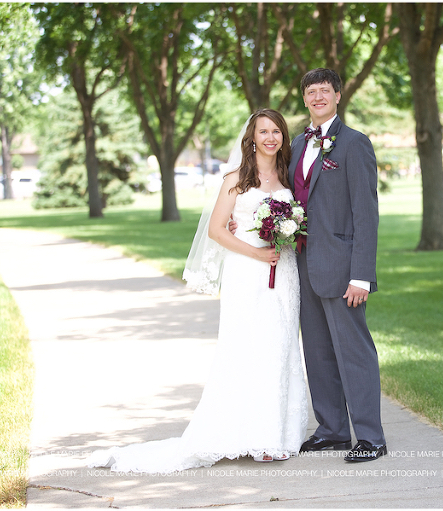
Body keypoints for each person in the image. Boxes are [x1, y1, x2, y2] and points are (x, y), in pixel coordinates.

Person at [85, 108, 308, 472]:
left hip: (283, 272)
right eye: (263, 131)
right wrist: (256, 252)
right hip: (248, 270)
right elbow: (217, 230)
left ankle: (279, 433)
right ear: (251, 138)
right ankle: (253, 435)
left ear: (284, 137)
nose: (270, 138)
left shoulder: (286, 176)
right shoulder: (236, 178)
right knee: (248, 345)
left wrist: (285, 235)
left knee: (281, 344)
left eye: (276, 132)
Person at [292, 68, 386, 462]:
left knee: (354, 353)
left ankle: (371, 438)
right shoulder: (297, 144)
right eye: (310, 92)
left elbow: (366, 214)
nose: (317, 97)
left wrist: (361, 274)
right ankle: (332, 430)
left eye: (324, 91)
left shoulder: (354, 144)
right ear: (305, 99)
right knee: (317, 351)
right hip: (302, 266)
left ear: (337, 96)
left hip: (344, 269)